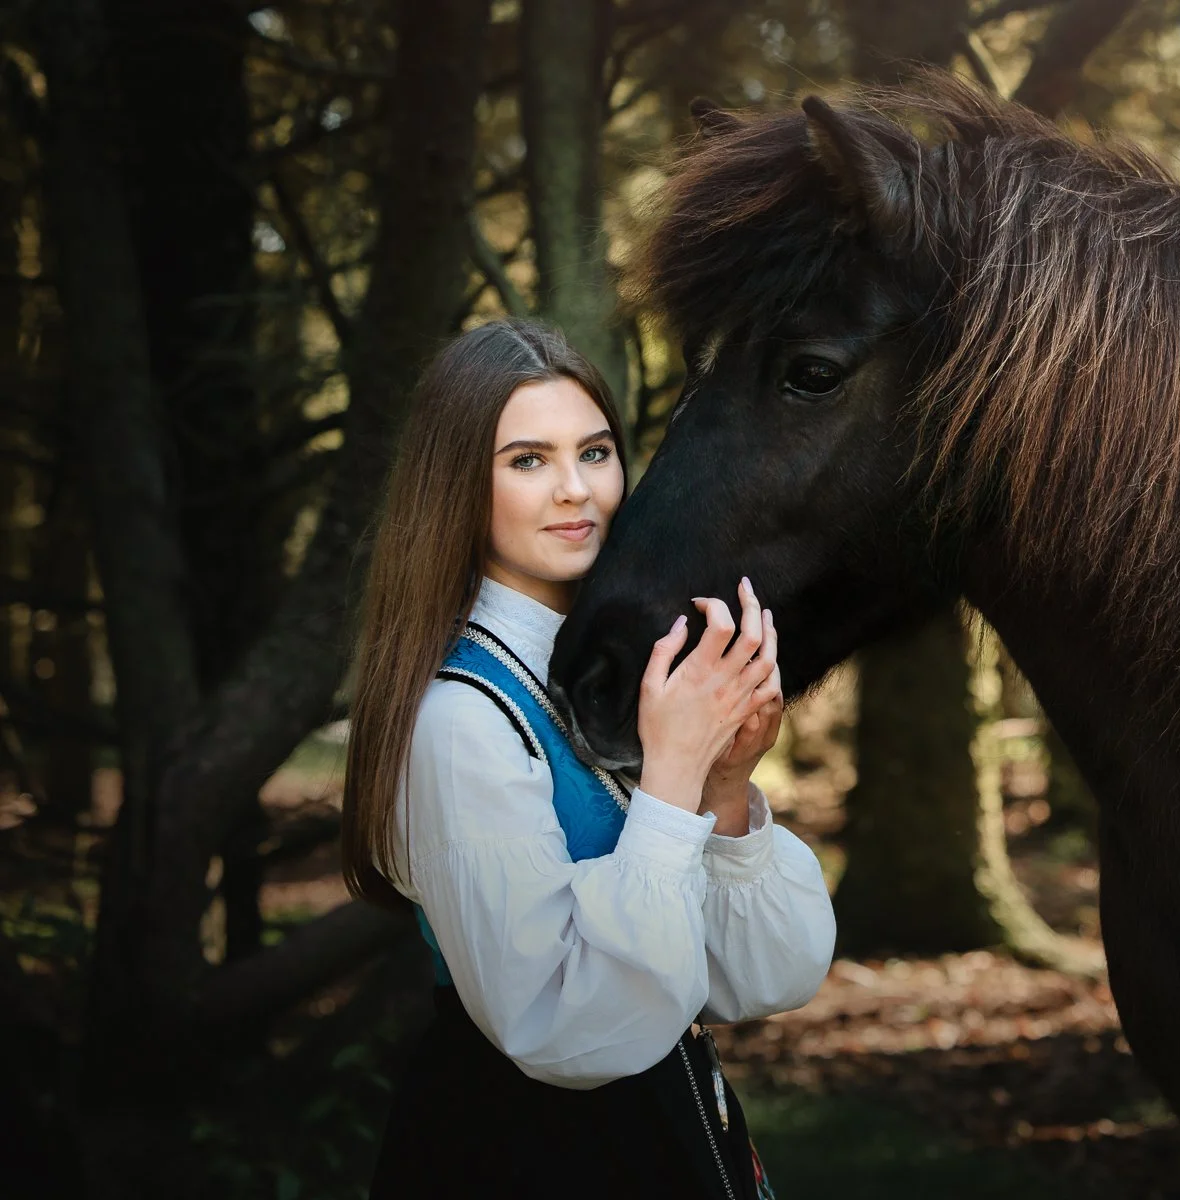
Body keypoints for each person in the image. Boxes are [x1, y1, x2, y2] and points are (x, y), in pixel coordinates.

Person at [341, 318, 835, 1198]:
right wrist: (674, 772)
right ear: (457, 485)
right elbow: (563, 1029)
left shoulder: (616, 679)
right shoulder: (463, 721)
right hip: (527, 1155)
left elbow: (760, 977)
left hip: (669, 1132)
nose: (576, 491)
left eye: (596, 452)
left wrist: (723, 785)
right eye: (527, 460)